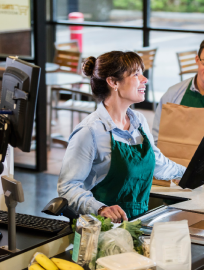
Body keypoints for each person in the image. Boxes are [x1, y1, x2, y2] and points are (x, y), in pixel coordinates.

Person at [57, 51, 185, 223]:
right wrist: (100, 208)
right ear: (113, 82)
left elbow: (158, 162)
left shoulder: (138, 121)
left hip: (138, 223)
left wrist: (192, 173)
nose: (144, 79)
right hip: (101, 230)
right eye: (136, 74)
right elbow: (67, 188)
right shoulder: (90, 131)